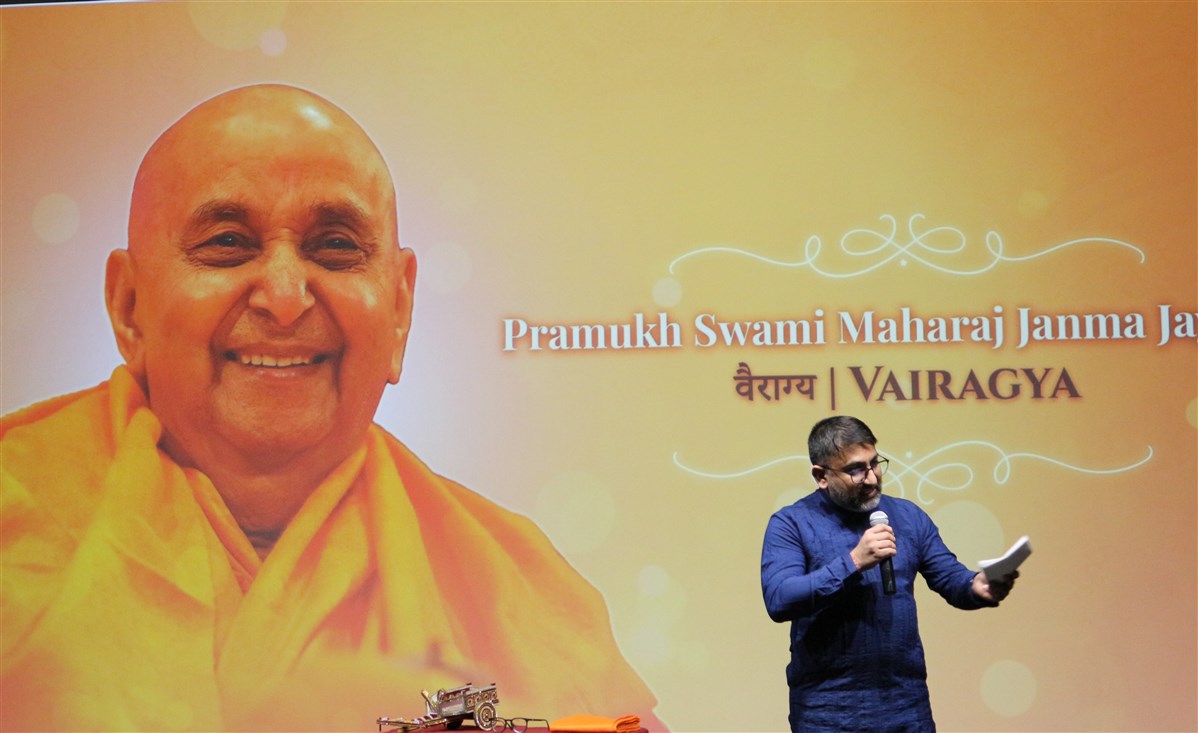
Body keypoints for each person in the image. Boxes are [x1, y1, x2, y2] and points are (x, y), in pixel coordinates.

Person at [0, 84, 662, 732]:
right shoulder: (17, 513)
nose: (285, 296)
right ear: (129, 307)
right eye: (227, 242)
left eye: (336, 246)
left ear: (398, 310)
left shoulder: (514, 588)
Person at [760, 415, 1017, 732]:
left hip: (906, 707)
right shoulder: (791, 523)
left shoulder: (908, 517)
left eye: (875, 463)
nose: (871, 478)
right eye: (856, 470)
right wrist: (853, 562)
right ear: (821, 475)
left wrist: (978, 586)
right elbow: (780, 598)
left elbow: (951, 579)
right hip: (827, 712)